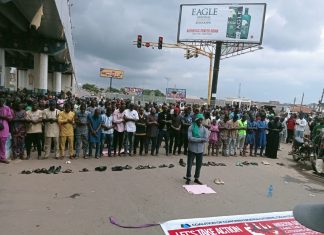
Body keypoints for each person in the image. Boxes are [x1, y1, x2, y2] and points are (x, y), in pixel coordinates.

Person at [185, 113, 208, 185]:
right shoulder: (191, 127)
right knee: (189, 164)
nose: (200, 121)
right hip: (192, 149)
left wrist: (198, 139)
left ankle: (196, 178)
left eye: (202, 120)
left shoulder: (204, 129)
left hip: (200, 150)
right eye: (199, 120)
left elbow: (206, 139)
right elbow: (189, 138)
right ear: (196, 120)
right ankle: (188, 177)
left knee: (199, 165)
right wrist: (200, 140)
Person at [0, 98, 13, 163]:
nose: (1, 103)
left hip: (4, 127)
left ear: (4, 102)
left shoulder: (7, 108)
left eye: (2, 101)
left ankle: (2, 158)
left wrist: (4, 117)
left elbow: (10, 118)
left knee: (2, 142)